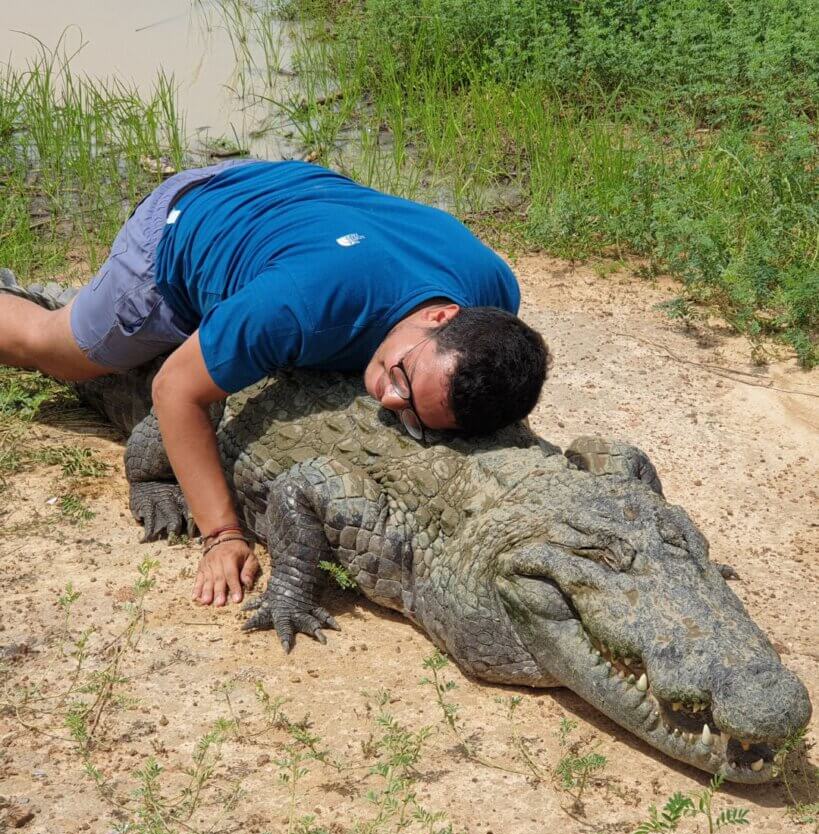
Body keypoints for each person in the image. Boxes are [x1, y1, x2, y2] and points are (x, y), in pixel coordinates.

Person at [0, 160, 548, 608]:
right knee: (55, 348)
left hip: (306, 200)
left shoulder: (493, 298)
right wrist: (223, 535)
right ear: (440, 317)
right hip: (191, 223)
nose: (387, 398)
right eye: (402, 377)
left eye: (414, 415)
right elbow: (174, 390)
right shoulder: (301, 305)